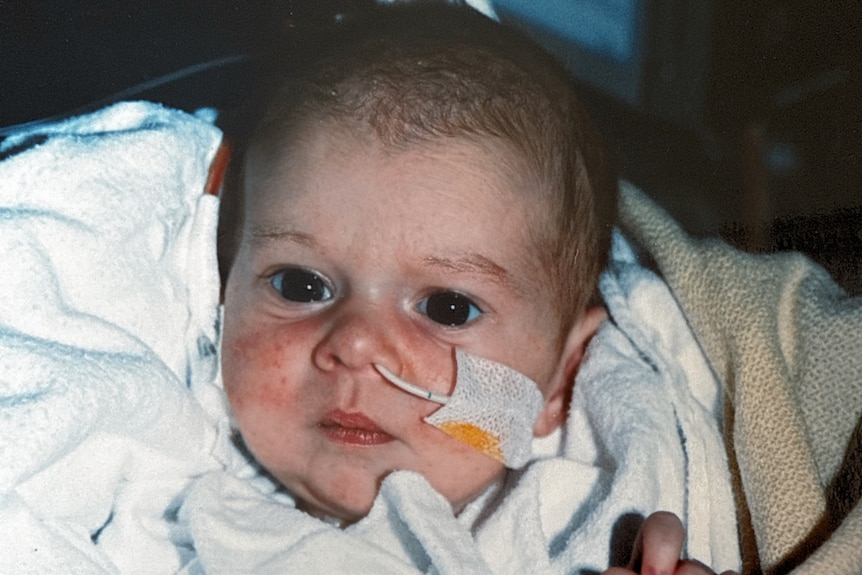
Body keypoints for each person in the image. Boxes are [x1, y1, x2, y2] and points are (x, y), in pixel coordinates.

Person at [211, 2, 737, 573]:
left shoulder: (573, 530)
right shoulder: (151, 485)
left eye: (448, 307)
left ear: (560, 381)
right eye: (300, 284)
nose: (356, 345)